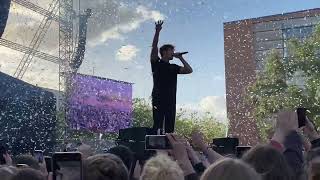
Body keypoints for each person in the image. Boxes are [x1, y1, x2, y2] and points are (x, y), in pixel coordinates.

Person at [150, 20, 193, 133]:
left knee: (169, 127)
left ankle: (170, 146)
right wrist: (157, 31)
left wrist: (181, 58)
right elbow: (154, 46)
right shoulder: (156, 63)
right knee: (158, 124)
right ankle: (155, 146)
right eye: (171, 50)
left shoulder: (174, 67)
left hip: (171, 99)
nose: (173, 52)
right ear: (164, 52)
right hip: (158, 98)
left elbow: (189, 70)